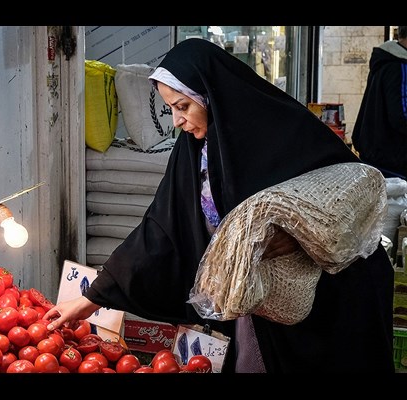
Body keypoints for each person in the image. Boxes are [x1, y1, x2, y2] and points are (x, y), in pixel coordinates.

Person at [44, 38, 395, 373]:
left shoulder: (283, 132)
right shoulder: (193, 150)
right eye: (171, 109)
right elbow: (161, 230)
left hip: (330, 300)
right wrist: (93, 297)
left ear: (210, 97)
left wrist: (290, 237)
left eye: (183, 107)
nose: (178, 121)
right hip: (260, 304)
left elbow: (342, 202)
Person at [352, 26, 407, 179]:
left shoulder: (386, 61)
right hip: (393, 162)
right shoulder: (399, 66)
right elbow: (401, 116)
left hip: (379, 157)